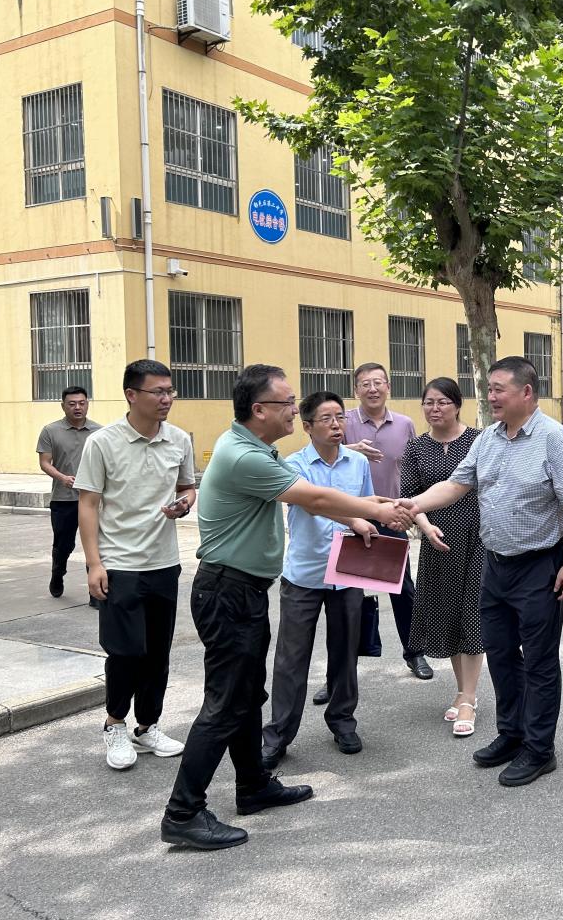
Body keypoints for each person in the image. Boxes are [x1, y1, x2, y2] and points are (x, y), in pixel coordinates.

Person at [161, 364, 414, 851]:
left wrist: (382, 504)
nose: (294, 411)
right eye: (288, 404)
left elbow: (326, 499)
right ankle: (183, 812)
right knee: (224, 705)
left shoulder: (258, 450)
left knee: (246, 697)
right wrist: (378, 510)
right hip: (227, 592)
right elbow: (314, 497)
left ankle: (253, 785)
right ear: (259, 410)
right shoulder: (243, 456)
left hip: (245, 591)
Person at [400, 356, 563, 787]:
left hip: (540, 566)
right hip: (495, 563)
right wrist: (413, 505)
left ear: (527, 392)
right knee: (501, 655)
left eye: (499, 388)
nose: (491, 396)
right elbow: (456, 485)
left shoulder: (554, 440)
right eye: (489, 388)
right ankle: (511, 733)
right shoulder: (488, 439)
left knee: (538, 661)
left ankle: (539, 749)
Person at [76, 361, 194, 772]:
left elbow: (187, 486)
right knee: (125, 651)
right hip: (119, 564)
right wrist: (94, 563)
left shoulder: (179, 439)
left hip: (164, 563)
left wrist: (185, 503)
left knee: (157, 652)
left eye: (170, 391)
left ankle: (147, 726)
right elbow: (88, 504)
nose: (166, 399)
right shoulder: (103, 442)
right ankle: (114, 724)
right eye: (157, 391)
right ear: (131, 394)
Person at [261, 391, 377, 770]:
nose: (336, 424)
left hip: (348, 572)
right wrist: (354, 518)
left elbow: (367, 505)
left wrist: (373, 520)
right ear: (307, 427)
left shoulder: (358, 463)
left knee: (345, 652)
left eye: (340, 417)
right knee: (291, 659)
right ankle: (278, 734)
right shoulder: (293, 464)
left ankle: (342, 721)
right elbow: (313, 504)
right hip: (305, 574)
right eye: (326, 419)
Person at [400, 378, 486, 738]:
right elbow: (410, 495)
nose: (435, 409)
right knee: (449, 615)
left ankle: (469, 697)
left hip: (478, 537)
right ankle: (463, 691)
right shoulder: (416, 447)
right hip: (438, 541)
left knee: (472, 614)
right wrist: (425, 527)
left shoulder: (480, 440)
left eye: (442, 402)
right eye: (429, 403)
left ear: (457, 405)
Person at [338, 361, 432, 686]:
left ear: (388, 387)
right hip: (350, 516)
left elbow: (415, 469)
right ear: (356, 390)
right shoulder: (344, 421)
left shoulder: (404, 424)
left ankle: (415, 652)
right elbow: (322, 454)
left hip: (393, 515)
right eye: (365, 383)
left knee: (403, 589)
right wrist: (349, 449)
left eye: (378, 382)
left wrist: (417, 511)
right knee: (346, 594)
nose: (373, 389)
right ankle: (340, 668)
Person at [37, 386, 102, 601]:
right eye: (72, 404)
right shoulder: (50, 431)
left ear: (87, 404)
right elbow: (45, 462)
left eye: (81, 403)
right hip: (63, 499)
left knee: (95, 545)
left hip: (93, 500)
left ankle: (95, 593)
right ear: (63, 406)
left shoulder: (99, 432)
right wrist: (62, 478)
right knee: (64, 545)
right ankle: (58, 573)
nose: (77, 407)